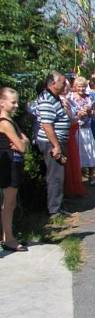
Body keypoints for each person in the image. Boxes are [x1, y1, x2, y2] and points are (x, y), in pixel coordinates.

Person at [36, 71, 72, 217]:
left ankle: (58, 205)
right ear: (53, 84)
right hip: (50, 142)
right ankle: (54, 210)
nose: (65, 85)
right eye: (62, 82)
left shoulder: (55, 97)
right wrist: (56, 146)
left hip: (58, 140)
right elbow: (47, 125)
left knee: (59, 174)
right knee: (55, 176)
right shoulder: (46, 99)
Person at [0, 87, 30, 252]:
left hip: (11, 162)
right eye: (13, 102)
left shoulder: (9, 120)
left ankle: (6, 236)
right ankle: (9, 238)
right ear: (2, 103)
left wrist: (22, 141)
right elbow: (22, 145)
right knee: (9, 203)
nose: (17, 105)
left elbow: (24, 140)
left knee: (7, 203)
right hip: (9, 164)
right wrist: (22, 141)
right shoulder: (5, 122)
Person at [69, 76, 95, 185]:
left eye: (83, 87)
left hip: (87, 128)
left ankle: (91, 176)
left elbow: (94, 115)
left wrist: (89, 112)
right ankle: (78, 177)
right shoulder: (71, 98)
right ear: (75, 86)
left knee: (90, 151)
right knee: (78, 152)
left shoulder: (89, 98)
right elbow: (69, 114)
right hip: (76, 128)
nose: (81, 89)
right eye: (79, 86)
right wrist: (78, 114)